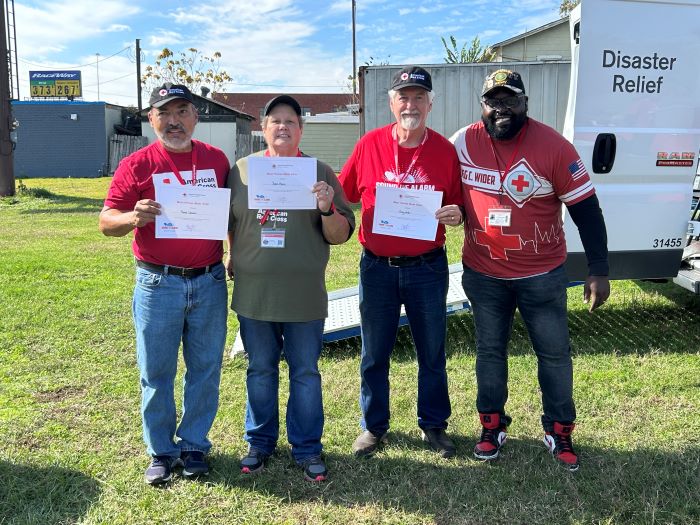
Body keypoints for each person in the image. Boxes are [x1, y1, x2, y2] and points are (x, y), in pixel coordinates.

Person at [449, 69, 611, 471]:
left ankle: (559, 430)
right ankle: (491, 426)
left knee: (554, 355)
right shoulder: (462, 142)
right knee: (489, 353)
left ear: (525, 103)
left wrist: (599, 269)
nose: (501, 109)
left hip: (542, 275)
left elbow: (586, 211)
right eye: (493, 101)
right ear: (482, 105)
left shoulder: (554, 147)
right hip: (484, 274)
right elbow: (436, 191)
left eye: (510, 100)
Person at [99, 83, 230, 485]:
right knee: (156, 372)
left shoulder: (217, 160)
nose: (173, 122)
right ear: (151, 119)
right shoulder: (137, 165)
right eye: (164, 114)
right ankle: (160, 451)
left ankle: (193, 445)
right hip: (158, 283)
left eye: (182, 112)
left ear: (195, 116)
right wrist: (132, 218)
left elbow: (232, 214)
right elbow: (107, 223)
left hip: (208, 281)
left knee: (205, 369)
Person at [226, 95, 355, 482]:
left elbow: (341, 234)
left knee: (304, 373)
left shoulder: (319, 172)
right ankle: (260, 443)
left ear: (301, 129)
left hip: (303, 295)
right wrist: (233, 255)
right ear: (263, 128)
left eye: (291, 121)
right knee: (260, 370)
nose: (283, 126)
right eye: (275, 120)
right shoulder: (242, 172)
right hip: (254, 294)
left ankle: (307, 448)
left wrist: (327, 208)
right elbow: (229, 220)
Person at [339, 66, 463, 459]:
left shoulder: (445, 151)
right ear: (392, 103)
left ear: (430, 103)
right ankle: (374, 426)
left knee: (432, 350)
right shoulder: (368, 145)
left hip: (427, 267)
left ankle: (433, 424)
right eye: (403, 97)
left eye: (418, 97)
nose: (411, 104)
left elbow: (459, 205)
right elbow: (343, 197)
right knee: (374, 351)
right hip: (377, 267)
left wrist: (456, 214)